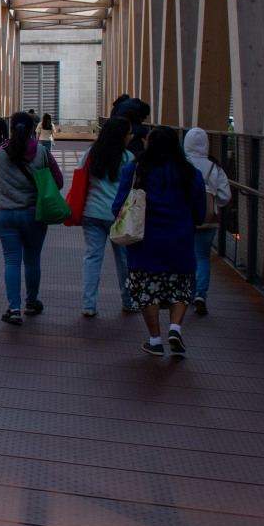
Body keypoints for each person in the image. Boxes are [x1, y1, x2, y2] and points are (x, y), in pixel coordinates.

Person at [113, 127, 205, 356]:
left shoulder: (134, 171)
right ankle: (175, 328)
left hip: (145, 241)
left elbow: (118, 206)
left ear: (149, 144)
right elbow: (200, 212)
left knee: (147, 290)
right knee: (180, 287)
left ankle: (155, 340)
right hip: (180, 240)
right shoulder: (191, 174)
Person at [0, 111, 63, 324]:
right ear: (32, 129)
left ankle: (14, 308)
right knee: (32, 259)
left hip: (5, 213)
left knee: (11, 260)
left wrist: (1, 189)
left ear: (10, 128)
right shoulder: (42, 152)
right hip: (34, 214)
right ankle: (32, 302)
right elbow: (58, 181)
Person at [75, 117, 134, 316]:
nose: (131, 137)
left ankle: (88, 304)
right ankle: (128, 300)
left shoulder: (91, 153)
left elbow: (80, 175)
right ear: (121, 136)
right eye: (129, 134)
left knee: (92, 257)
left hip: (91, 212)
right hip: (118, 216)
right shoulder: (128, 158)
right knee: (124, 259)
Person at [184, 128, 232, 315]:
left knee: (186, 253)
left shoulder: (181, 164)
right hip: (208, 218)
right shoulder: (215, 168)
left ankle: (189, 290)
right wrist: (214, 202)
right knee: (203, 256)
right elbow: (225, 196)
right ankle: (201, 294)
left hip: (185, 217)